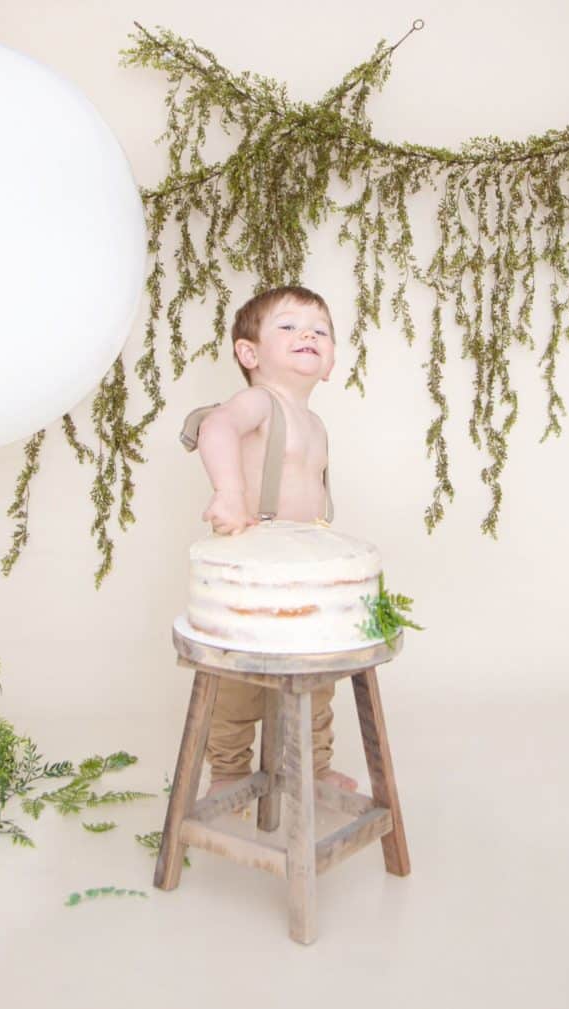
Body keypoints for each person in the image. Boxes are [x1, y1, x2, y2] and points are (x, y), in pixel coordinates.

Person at [193, 284, 359, 798]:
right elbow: (214, 426)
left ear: (329, 362)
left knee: (317, 679)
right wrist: (230, 491)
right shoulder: (257, 402)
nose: (306, 333)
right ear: (249, 353)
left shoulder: (316, 423)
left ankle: (313, 763)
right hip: (254, 569)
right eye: (287, 326)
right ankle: (228, 770)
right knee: (240, 685)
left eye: (319, 330)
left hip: (303, 571)